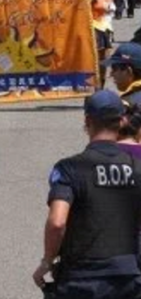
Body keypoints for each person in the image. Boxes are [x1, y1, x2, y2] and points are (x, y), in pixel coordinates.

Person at [32, 90, 141, 298]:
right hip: (127, 276)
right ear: (121, 121)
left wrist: (47, 261)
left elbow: (57, 222)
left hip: (81, 278)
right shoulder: (137, 167)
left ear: (87, 120)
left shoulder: (69, 168)